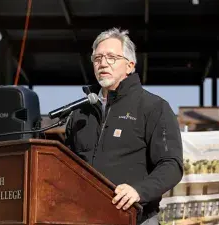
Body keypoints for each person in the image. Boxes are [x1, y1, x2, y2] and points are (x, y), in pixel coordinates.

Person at [64, 28, 183, 225]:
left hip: (137, 218)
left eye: (111, 57)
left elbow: (171, 165)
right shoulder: (79, 113)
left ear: (129, 66)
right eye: (97, 58)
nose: (103, 63)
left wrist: (139, 191)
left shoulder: (153, 107)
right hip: (84, 218)